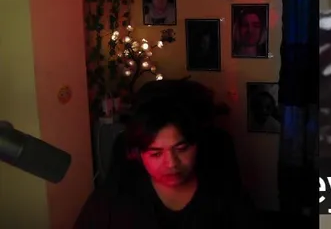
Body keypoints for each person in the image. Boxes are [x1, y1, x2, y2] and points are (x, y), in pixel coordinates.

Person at [74, 92, 260, 228]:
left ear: (196, 145)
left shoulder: (227, 195)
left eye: (181, 149)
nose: (171, 163)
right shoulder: (111, 201)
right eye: (156, 153)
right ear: (138, 154)